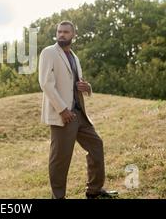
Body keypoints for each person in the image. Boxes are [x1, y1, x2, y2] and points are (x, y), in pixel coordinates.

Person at [38, 21, 118, 199]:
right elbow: (46, 83)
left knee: (96, 145)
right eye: (59, 32)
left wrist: (87, 87)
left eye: (66, 32)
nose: (61, 35)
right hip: (64, 116)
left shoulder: (74, 57)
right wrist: (62, 110)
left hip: (80, 114)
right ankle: (58, 197)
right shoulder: (49, 53)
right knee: (60, 160)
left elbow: (75, 83)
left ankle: (94, 191)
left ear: (73, 34)